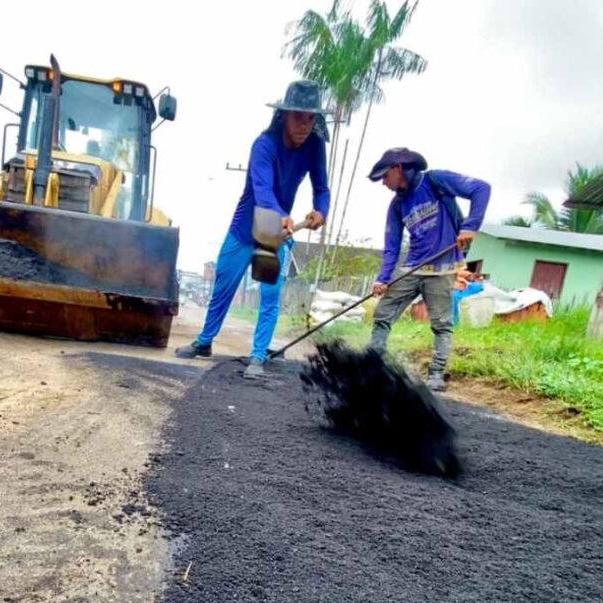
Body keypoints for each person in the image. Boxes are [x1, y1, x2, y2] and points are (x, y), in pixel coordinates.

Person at [175, 80, 330, 379]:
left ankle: (258, 355)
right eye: (299, 117)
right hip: (246, 229)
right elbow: (263, 190)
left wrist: (321, 210)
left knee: (270, 294)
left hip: (274, 236)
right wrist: (281, 215)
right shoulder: (264, 145)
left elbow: (321, 186)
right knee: (223, 288)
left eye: (311, 119)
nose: (305, 125)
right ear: (284, 115)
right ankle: (205, 341)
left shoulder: (314, 147)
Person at [367, 148, 490, 392]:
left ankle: (436, 374)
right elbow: (391, 245)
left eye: (385, 176)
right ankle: (373, 363)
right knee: (383, 314)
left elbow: (481, 188)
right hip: (413, 267)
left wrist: (470, 226)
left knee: (442, 323)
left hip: (443, 266)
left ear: (398, 168)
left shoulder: (436, 181)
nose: (383, 183)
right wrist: (383, 278)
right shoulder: (397, 204)